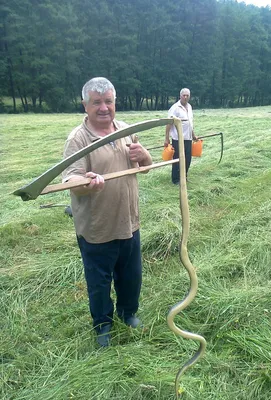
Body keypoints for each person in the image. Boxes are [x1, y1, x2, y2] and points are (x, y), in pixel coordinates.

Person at [62, 77, 152, 347]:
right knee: (99, 283)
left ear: (115, 102)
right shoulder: (78, 139)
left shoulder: (126, 130)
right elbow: (70, 182)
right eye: (96, 102)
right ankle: (102, 326)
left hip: (129, 222)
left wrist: (145, 155)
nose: (104, 108)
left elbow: (144, 167)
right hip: (97, 229)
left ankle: (128, 312)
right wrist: (86, 182)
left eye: (108, 101)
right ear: (85, 106)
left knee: (131, 275)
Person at [164, 88, 197, 185]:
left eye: (187, 95)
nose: (185, 97)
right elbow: (168, 123)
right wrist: (166, 138)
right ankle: (176, 180)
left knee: (188, 159)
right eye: (184, 95)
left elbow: (190, 123)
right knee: (177, 160)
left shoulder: (190, 107)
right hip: (178, 139)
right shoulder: (175, 108)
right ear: (180, 96)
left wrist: (193, 135)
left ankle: (184, 177)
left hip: (188, 139)